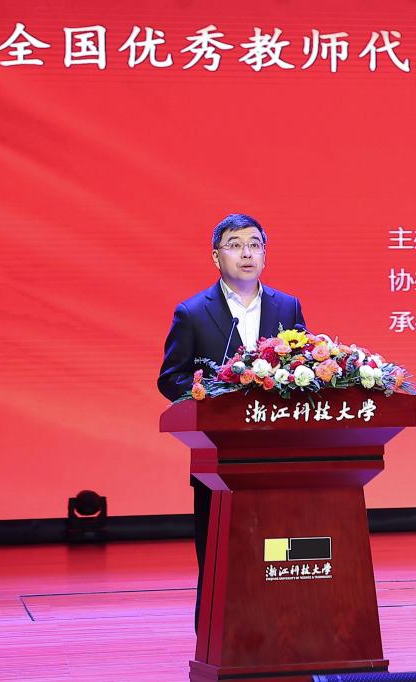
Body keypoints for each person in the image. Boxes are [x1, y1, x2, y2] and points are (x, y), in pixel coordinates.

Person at [157, 213, 306, 630]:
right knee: (220, 553)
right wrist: (214, 392)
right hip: (219, 458)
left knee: (278, 550)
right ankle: (214, 637)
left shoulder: (287, 306)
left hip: (280, 456)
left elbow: (304, 366)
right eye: (235, 245)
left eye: (255, 245)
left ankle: (282, 629)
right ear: (216, 256)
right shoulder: (192, 313)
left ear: (265, 255)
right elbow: (170, 378)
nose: (246, 253)